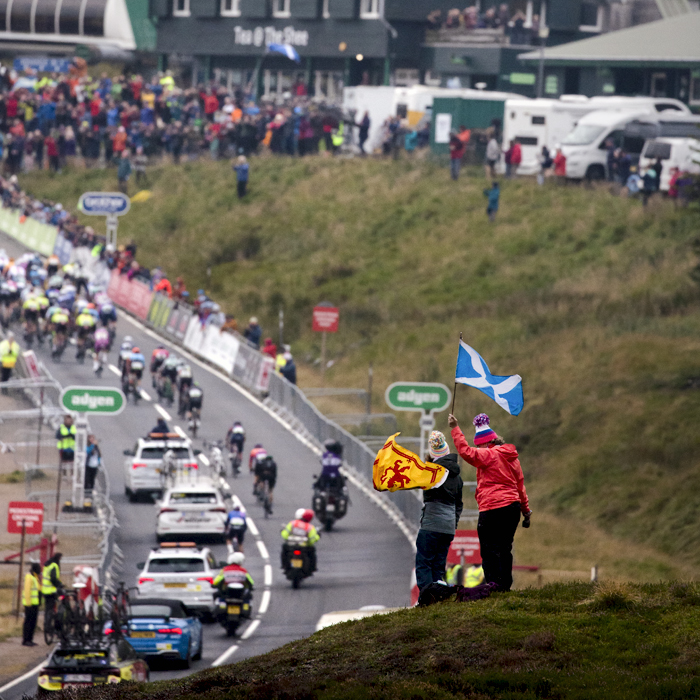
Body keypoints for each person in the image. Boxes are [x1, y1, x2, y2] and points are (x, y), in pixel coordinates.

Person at [448, 412, 531, 592]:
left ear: (485, 442)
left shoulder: (488, 454)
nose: (478, 448)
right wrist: (526, 510)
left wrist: (455, 428)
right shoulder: (512, 457)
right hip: (512, 507)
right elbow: (520, 485)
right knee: (505, 548)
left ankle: (493, 586)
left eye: (479, 445)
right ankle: (505, 587)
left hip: (493, 507)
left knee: (489, 549)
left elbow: (465, 452)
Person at [414, 431, 463, 592]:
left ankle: (428, 598)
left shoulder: (430, 473)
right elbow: (459, 504)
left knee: (424, 563)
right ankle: (439, 597)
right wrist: (453, 523)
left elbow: (411, 481)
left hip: (431, 525)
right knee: (438, 566)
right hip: (448, 527)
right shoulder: (457, 478)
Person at [22, 562, 41, 646]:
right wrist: (28, 602)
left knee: (33, 622)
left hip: (35, 604)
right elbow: (27, 591)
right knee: (28, 622)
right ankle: (26, 640)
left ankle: (30, 639)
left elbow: (38, 589)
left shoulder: (35, 577)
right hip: (29, 604)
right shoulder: (29, 577)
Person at [42, 552, 63, 624]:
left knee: (47, 609)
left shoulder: (47, 565)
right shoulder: (54, 565)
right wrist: (59, 585)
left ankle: (46, 624)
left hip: (45, 590)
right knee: (51, 609)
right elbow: (53, 578)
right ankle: (48, 625)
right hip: (51, 591)